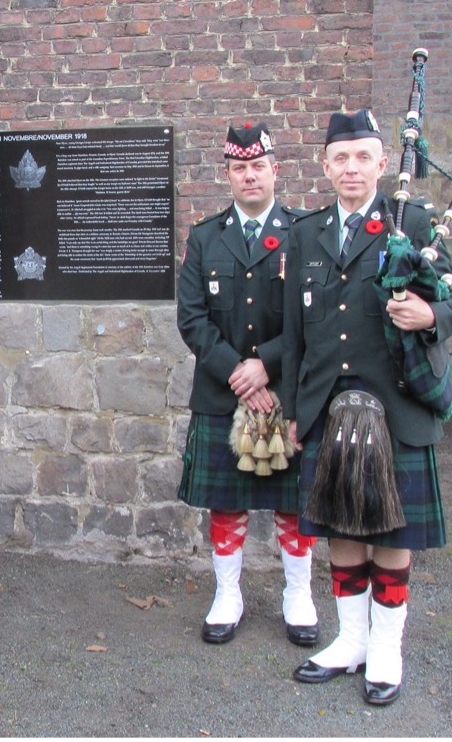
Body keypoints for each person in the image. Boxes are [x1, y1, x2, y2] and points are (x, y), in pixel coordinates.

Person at [278, 110, 452, 706]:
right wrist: (292, 409)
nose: (352, 167)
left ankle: (386, 650)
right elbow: (293, 329)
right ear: (325, 166)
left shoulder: (414, 222)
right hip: (326, 406)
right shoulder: (305, 232)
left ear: (383, 164)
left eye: (364, 157)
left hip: (395, 408)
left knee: (391, 530)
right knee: (339, 527)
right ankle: (350, 640)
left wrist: (431, 316)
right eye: (341, 158)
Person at [176, 122, 320, 647]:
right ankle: (228, 595)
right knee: (227, 504)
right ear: (228, 175)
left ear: (274, 171)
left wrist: (269, 367)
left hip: (287, 390)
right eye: (240, 168)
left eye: (258, 166)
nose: (249, 176)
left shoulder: (305, 232)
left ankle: (298, 595)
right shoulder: (205, 236)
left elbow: (316, 312)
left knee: (293, 503)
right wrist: (240, 373)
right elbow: (192, 320)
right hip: (222, 391)